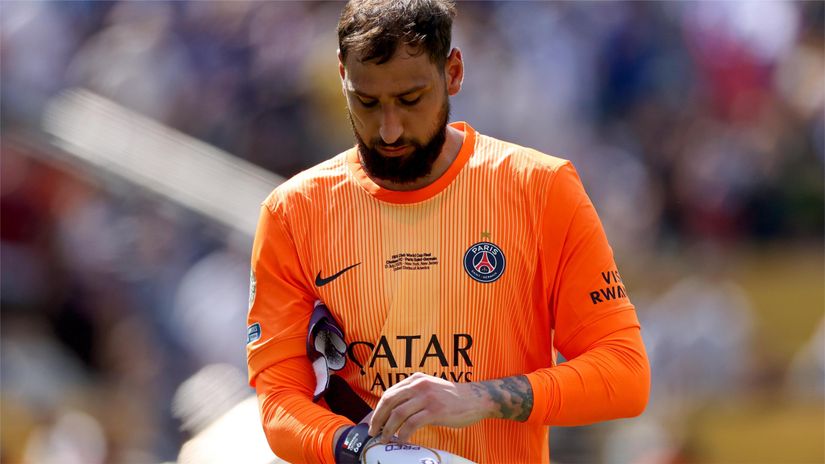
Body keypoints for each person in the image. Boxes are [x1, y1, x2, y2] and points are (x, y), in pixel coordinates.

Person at [246, 0, 650, 462]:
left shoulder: (539, 188)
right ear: (341, 74)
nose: (390, 130)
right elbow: (279, 401)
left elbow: (625, 374)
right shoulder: (294, 212)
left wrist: (478, 398)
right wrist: (365, 452)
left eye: (411, 100)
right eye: (367, 102)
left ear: (453, 72)